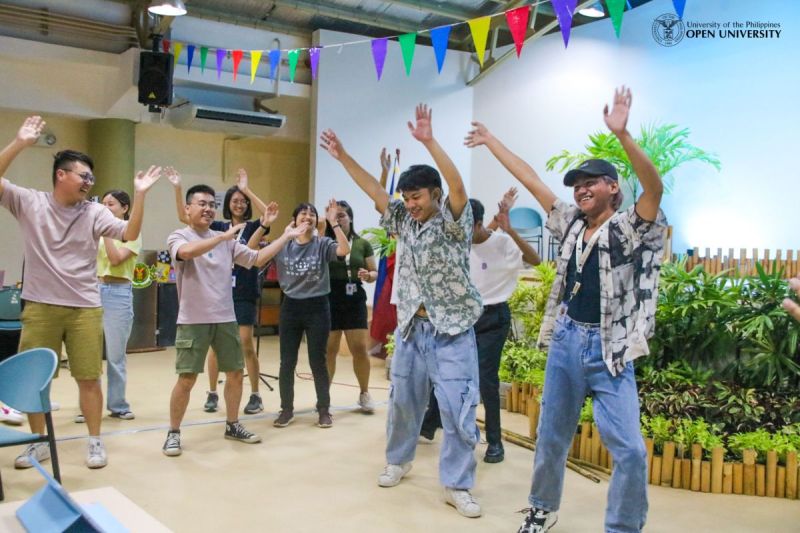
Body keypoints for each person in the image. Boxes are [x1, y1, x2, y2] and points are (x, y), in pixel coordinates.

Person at [466, 87, 668, 533]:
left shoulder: (632, 227)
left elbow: (654, 186)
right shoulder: (572, 223)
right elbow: (533, 178)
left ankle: (623, 526)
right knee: (551, 437)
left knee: (630, 450)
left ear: (613, 188)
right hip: (567, 339)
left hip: (610, 349)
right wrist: (492, 139)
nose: (580, 188)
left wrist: (624, 135)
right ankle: (541, 508)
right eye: (577, 184)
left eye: (591, 181)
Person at [320, 104, 484, 519]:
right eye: (407, 198)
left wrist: (429, 141)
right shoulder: (403, 220)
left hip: (452, 331)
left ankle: (458, 484)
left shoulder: (453, 220)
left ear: (435, 196)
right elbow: (374, 193)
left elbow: (458, 185)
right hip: (412, 328)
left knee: (458, 408)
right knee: (404, 402)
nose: (410, 204)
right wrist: (341, 157)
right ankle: (399, 459)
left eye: (418, 197)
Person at [0, 116, 160, 469]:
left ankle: (95, 441)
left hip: (86, 307)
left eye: (92, 177)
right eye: (83, 175)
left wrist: (141, 194)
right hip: (41, 306)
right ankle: (38, 443)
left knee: (89, 377)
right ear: (62, 175)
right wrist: (20, 142)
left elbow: (129, 233)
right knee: (36, 380)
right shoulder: (31, 202)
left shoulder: (94, 213)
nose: (89, 182)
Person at [420, 190, 541, 464]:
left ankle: (495, 442)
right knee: (448, 370)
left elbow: (535, 260)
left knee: (486, 378)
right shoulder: (456, 244)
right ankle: (430, 423)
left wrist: (511, 230)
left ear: (478, 224)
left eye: (465, 227)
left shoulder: (502, 243)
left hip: (493, 316)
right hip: (461, 315)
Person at [163, 183, 280, 457]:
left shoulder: (225, 238)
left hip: (226, 317)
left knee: (236, 373)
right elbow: (188, 253)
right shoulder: (179, 235)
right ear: (188, 208)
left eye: (211, 205)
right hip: (193, 320)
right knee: (187, 378)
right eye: (201, 204)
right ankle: (174, 432)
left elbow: (256, 258)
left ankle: (233, 424)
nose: (207, 208)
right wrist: (222, 238)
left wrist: (286, 235)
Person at [248, 200, 350, 429]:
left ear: (316, 221)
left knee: (318, 361)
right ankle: (286, 410)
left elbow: (344, 250)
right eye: (302, 213)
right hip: (291, 307)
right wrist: (265, 225)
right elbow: (253, 251)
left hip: (318, 306)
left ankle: (324, 409)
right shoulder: (284, 244)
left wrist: (334, 223)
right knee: (287, 362)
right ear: (294, 221)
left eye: (312, 214)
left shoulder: (322, 243)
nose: (307, 216)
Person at [323, 200, 378, 413]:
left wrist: (368, 275)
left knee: (359, 349)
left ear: (351, 218)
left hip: (354, 296)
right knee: (330, 349)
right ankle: (324, 397)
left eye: (342, 215)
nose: (339, 219)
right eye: (335, 216)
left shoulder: (362, 243)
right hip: (330, 296)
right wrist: (328, 217)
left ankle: (364, 393)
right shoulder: (325, 242)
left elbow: (373, 272)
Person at [96, 190, 142, 420]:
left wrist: (104, 233)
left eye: (110, 204)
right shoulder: (95, 231)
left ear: (124, 208)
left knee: (115, 355)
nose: (105, 207)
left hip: (119, 292)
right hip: (93, 291)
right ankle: (89, 407)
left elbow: (115, 260)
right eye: (102, 203)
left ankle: (118, 405)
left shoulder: (131, 233)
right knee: (89, 354)